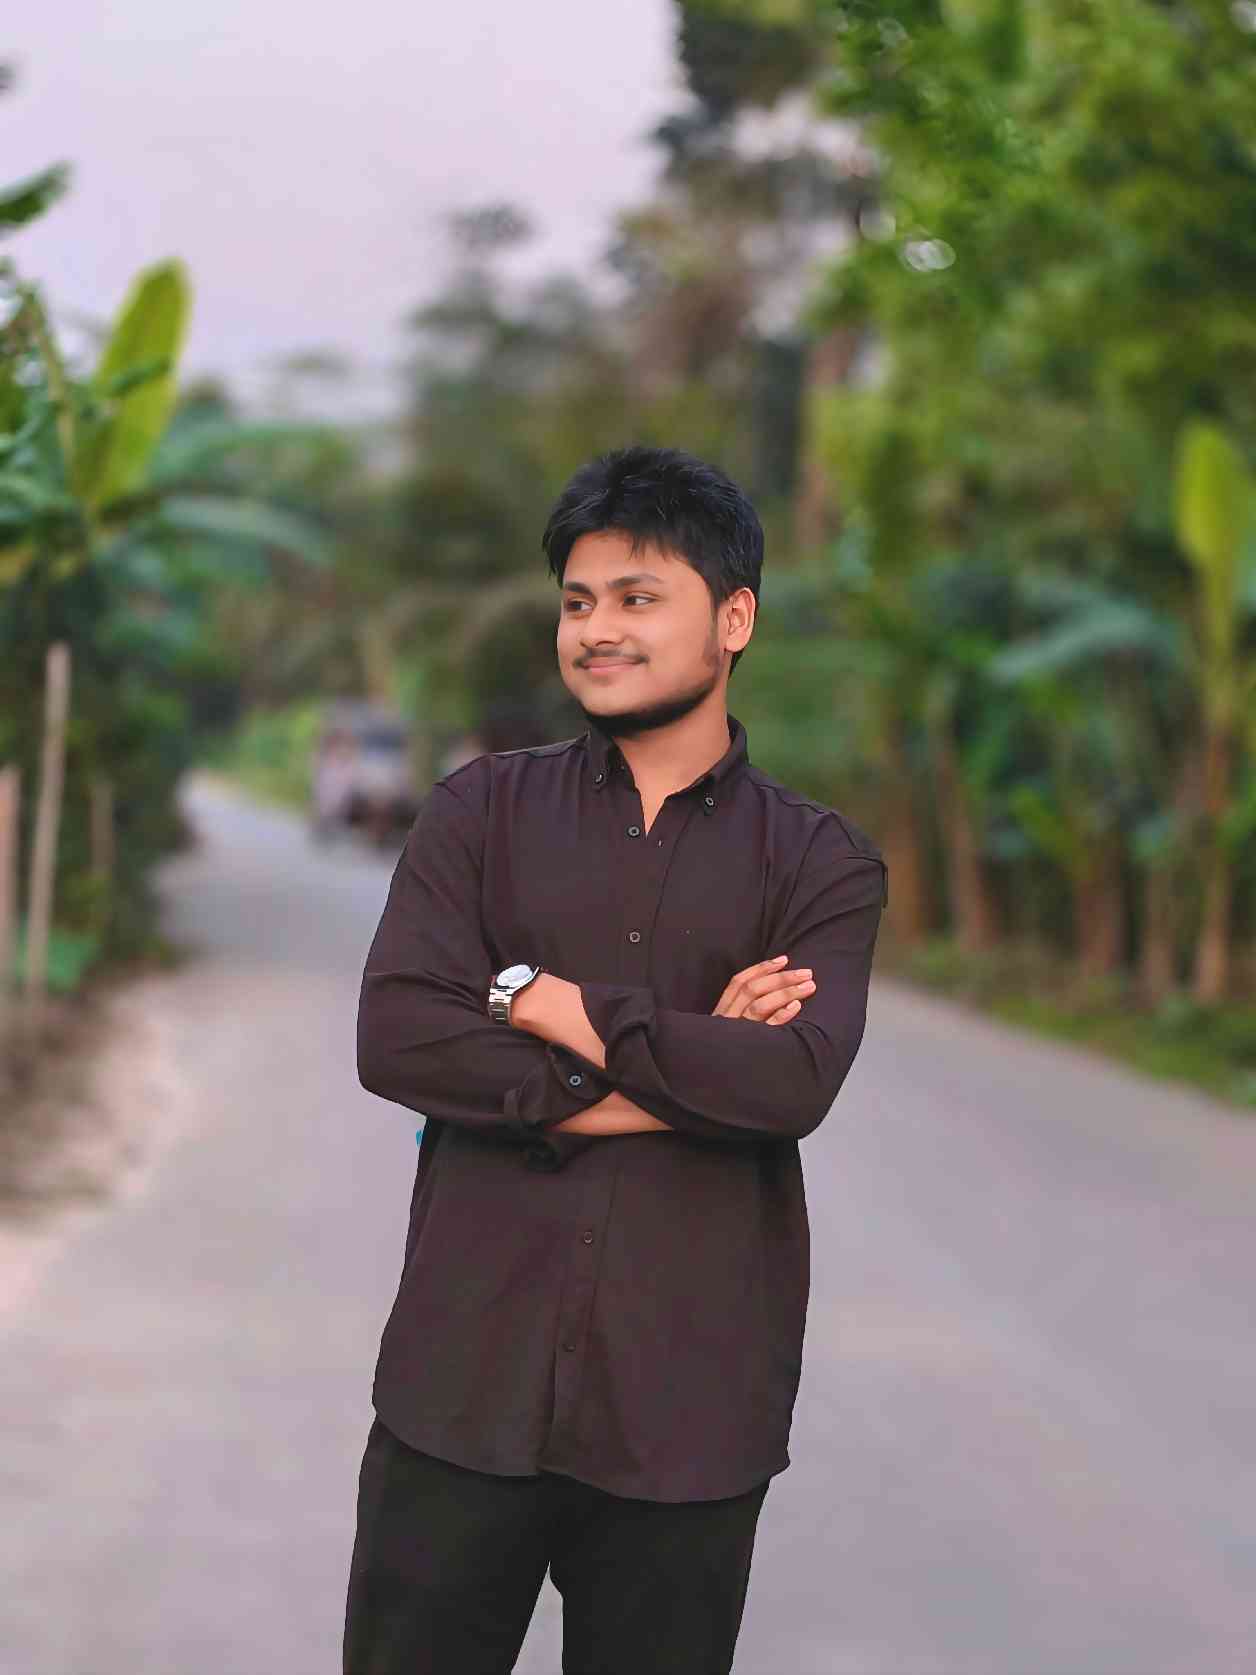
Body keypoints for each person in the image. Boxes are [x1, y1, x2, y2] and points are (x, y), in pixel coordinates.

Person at [344, 445, 888, 1674]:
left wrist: (544, 1003)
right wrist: (693, 1071)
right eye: (578, 601)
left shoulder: (818, 862)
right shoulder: (478, 813)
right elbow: (398, 1035)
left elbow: (791, 1081)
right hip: (461, 1385)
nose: (595, 630)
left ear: (733, 619)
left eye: (637, 597)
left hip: (686, 1412)